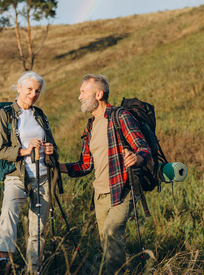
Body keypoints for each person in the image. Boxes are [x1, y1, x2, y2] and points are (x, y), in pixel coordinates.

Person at [60, 74, 151, 274]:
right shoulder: (90, 125)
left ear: (98, 94)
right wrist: (57, 167)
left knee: (111, 235)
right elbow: (85, 165)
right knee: (110, 244)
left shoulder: (120, 116)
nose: (79, 97)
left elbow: (142, 147)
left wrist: (137, 158)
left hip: (122, 190)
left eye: (83, 92)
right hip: (99, 195)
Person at [0, 71, 60, 275]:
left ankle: (34, 269)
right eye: (29, 89)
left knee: (38, 227)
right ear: (19, 88)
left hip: (42, 177)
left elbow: (54, 147)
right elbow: (0, 150)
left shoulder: (40, 115)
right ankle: (4, 260)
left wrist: (50, 150)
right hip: (17, 176)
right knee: (9, 213)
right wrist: (25, 150)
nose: (33, 94)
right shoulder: (4, 115)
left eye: (37, 90)